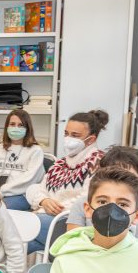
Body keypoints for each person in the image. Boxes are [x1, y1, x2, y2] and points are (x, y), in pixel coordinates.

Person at [25, 109, 108, 254]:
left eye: (75, 135)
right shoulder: (61, 163)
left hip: (73, 224)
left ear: (91, 139)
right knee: (15, 243)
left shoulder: (100, 163)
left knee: (16, 230)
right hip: (47, 220)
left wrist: (50, 209)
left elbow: (88, 199)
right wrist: (44, 201)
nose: (68, 138)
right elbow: (36, 189)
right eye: (66, 134)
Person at [65, 146, 138, 250]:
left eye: (128, 177)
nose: (119, 182)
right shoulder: (81, 206)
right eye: (112, 174)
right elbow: (73, 248)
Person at [0, 109, 44, 211]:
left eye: (20, 125)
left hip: (21, 195)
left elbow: (28, 180)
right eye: (12, 124)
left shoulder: (35, 151)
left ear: (27, 128)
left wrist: (1, 192)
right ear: (7, 127)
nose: (16, 128)